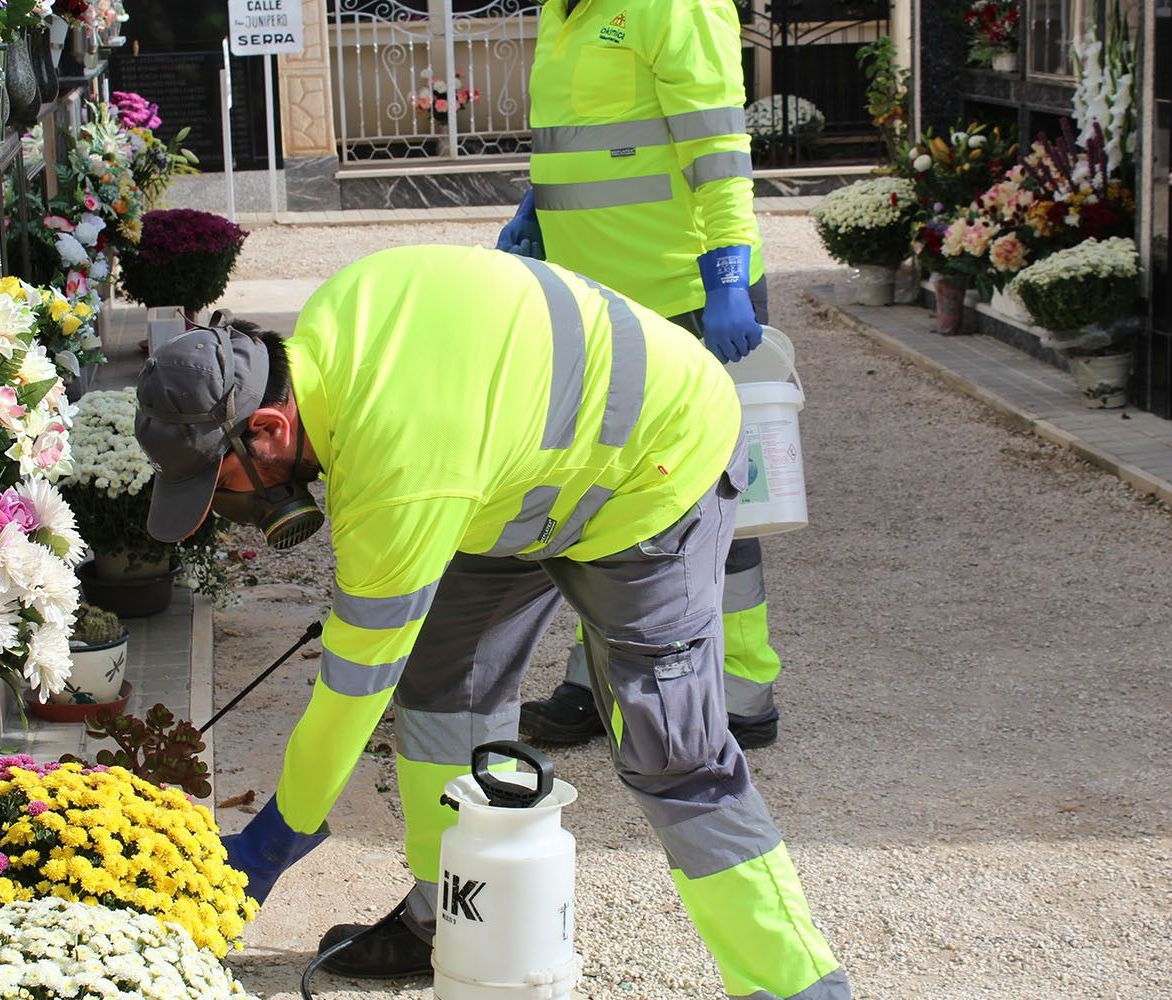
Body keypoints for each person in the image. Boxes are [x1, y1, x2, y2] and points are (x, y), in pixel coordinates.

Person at [134, 245, 847, 999]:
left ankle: (795, 984)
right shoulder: (339, 313)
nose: (228, 507)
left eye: (220, 481)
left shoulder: (398, 475)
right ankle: (453, 918)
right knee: (444, 683)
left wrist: (275, 838)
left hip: (655, 468)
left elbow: (350, 694)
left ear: (270, 428)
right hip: (511, 475)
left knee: (674, 752)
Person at [496, 0, 784, 749]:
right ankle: (603, 680)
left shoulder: (674, 4)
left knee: (711, 503)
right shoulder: (562, 13)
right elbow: (592, 136)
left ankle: (741, 690)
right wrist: (539, 204)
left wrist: (728, 274)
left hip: (686, 298)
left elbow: (717, 146)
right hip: (597, 305)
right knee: (599, 497)